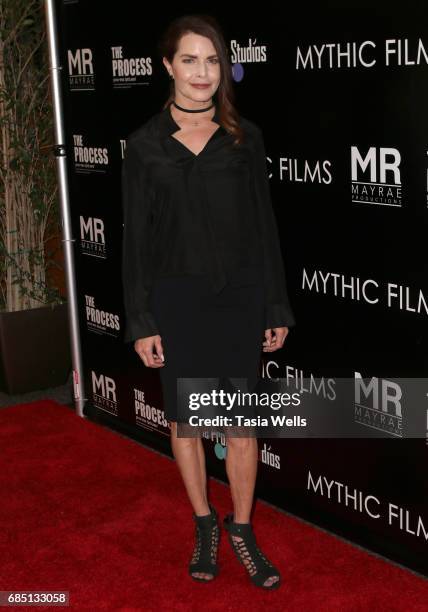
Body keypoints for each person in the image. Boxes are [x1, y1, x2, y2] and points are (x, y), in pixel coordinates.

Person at [121, 14, 296, 590]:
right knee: (188, 422)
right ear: (167, 65)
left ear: (224, 67)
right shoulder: (144, 145)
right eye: (190, 60)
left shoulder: (245, 136)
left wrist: (275, 307)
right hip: (177, 303)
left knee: (241, 423)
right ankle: (204, 523)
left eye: (213, 60)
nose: (202, 72)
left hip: (240, 299)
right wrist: (142, 319)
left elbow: (266, 229)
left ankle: (241, 527)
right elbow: (137, 240)